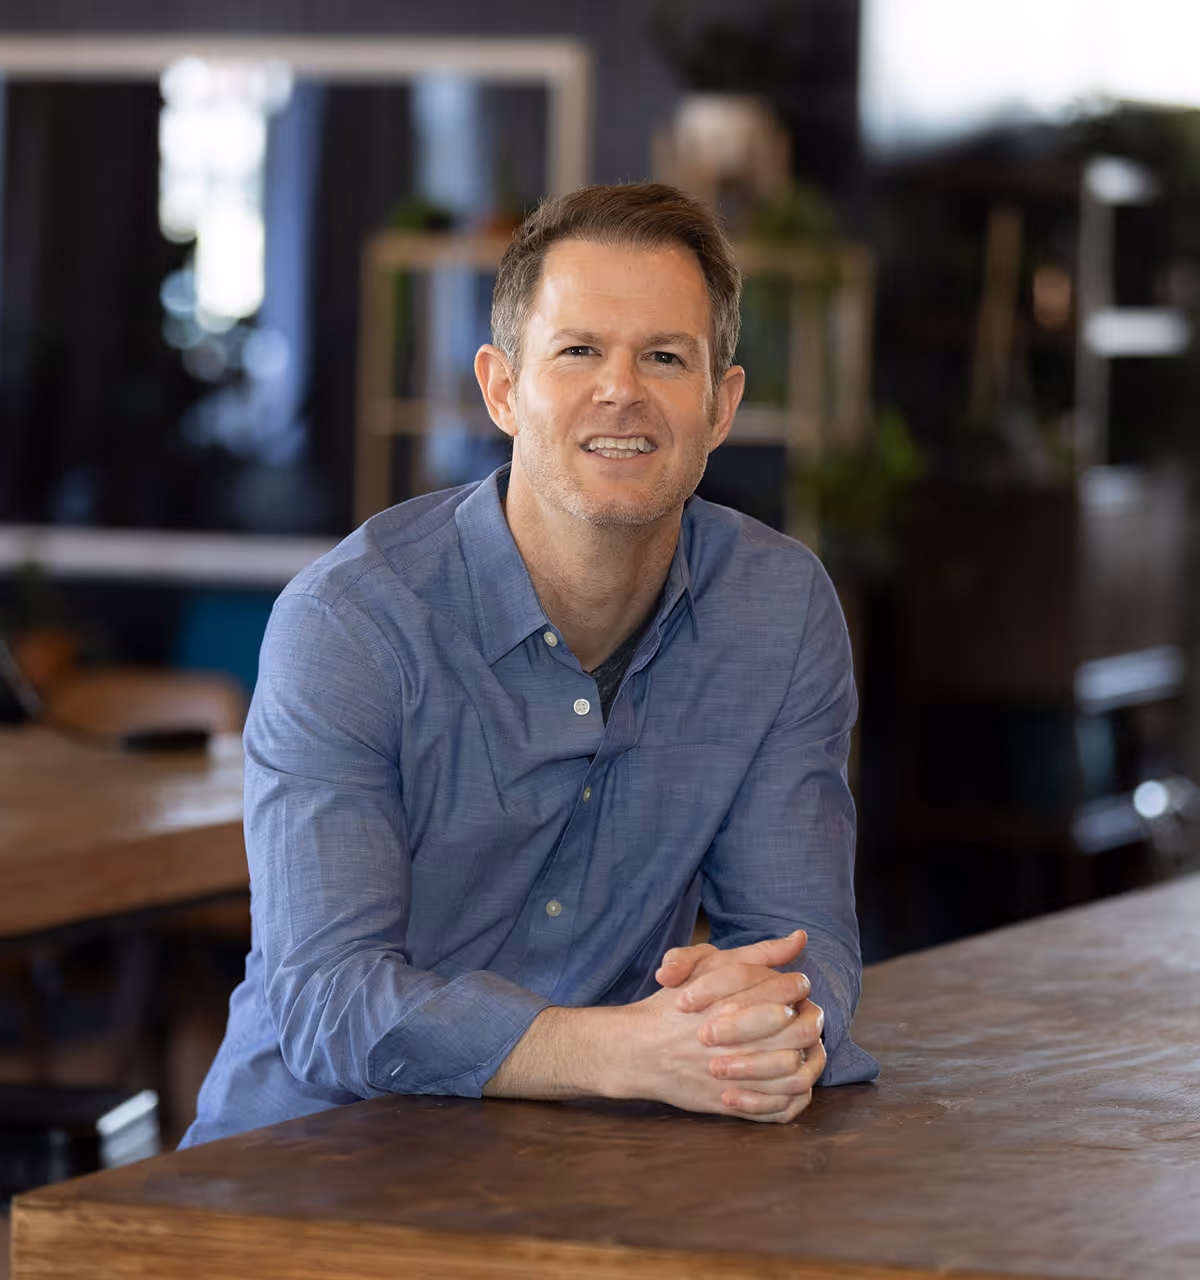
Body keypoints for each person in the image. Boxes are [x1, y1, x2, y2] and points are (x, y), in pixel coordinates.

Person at [181, 182, 878, 1147]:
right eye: (579, 350)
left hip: (579, 1167)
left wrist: (772, 1018)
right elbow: (327, 999)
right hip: (298, 1166)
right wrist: (614, 1054)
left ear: (721, 407)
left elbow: (802, 945)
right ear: (502, 388)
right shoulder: (350, 621)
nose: (620, 389)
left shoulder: (781, 610)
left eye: (666, 357)